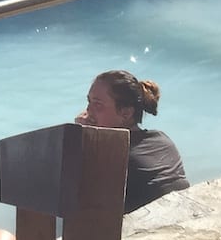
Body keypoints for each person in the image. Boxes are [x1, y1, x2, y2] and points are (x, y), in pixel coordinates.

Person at [74, 70, 190, 213]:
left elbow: (76, 195)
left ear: (126, 113)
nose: (88, 110)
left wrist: (84, 136)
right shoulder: (162, 139)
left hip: (146, 229)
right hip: (184, 216)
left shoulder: (113, 153)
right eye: (89, 102)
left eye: (97, 105)